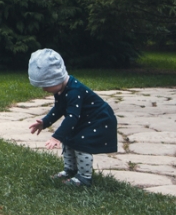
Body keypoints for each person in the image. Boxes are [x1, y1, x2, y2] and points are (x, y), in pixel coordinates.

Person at [27, 48, 118, 187]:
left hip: (97, 119)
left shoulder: (74, 91)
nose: (44, 89)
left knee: (82, 144)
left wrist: (57, 136)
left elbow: (71, 117)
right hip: (84, 118)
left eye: (46, 85)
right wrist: (44, 122)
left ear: (57, 78)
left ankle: (84, 177)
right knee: (69, 140)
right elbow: (59, 108)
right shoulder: (61, 89)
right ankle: (71, 170)